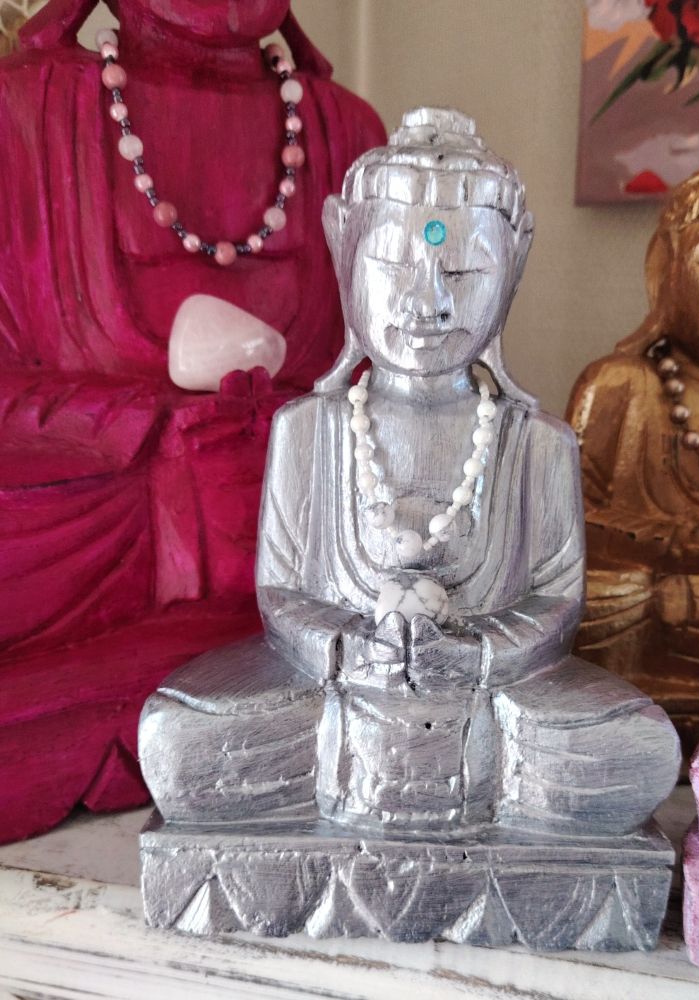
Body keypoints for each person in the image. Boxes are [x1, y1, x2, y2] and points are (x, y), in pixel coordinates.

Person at [142, 109, 679, 841]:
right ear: (344, 252)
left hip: (494, 699)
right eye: (394, 266)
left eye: (464, 271)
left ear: (513, 269)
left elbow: (556, 601)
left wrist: (475, 655)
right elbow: (281, 593)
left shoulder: (538, 444)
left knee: (633, 747)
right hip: (333, 693)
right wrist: (347, 648)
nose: (428, 302)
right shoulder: (309, 430)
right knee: (178, 739)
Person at [0, 0, 385, 843]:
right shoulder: (19, 110)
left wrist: (282, 433)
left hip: (299, 521)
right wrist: (143, 426)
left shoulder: (346, 132)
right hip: (95, 516)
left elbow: (384, 382)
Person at [567, 143, 699, 754]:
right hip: (643, 610)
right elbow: (562, 531)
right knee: (584, 603)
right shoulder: (619, 386)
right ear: (669, 271)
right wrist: (679, 553)